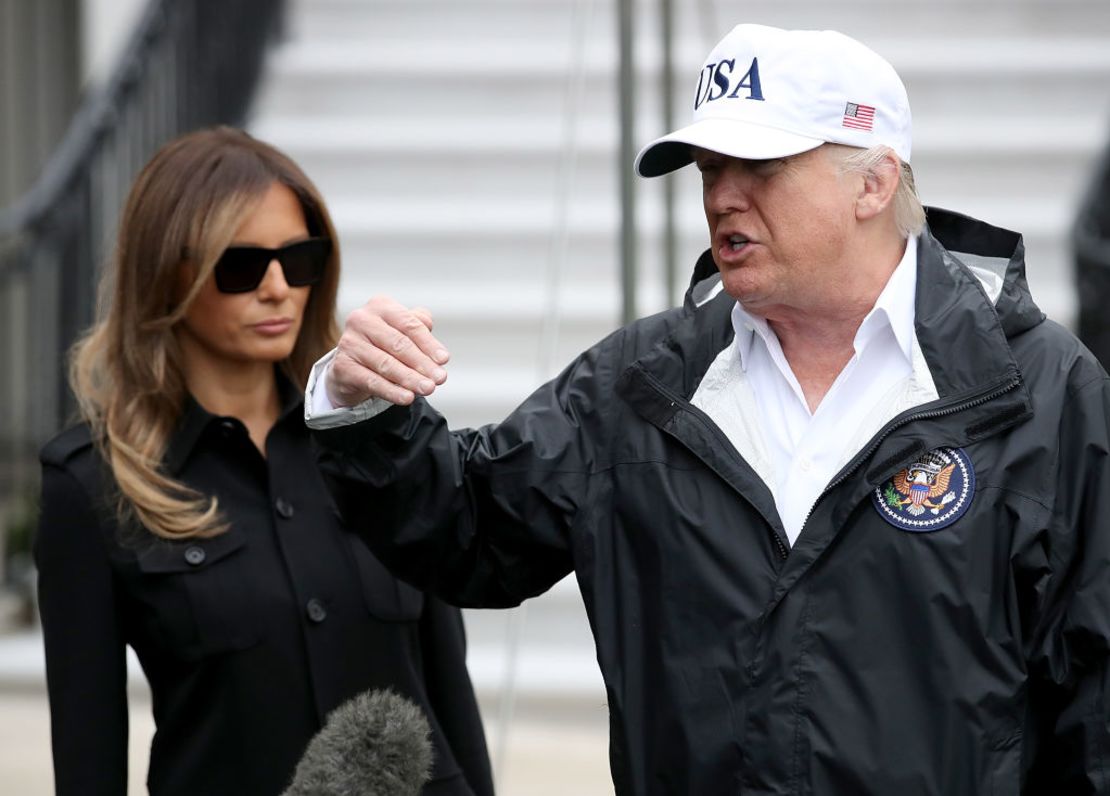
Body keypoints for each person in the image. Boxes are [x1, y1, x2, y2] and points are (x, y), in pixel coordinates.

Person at [306, 24, 1110, 795]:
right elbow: (468, 528)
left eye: (759, 167)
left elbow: (1095, 703)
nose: (722, 196)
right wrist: (360, 405)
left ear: (874, 181)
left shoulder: (1040, 391)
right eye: (707, 168)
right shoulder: (641, 383)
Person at [33, 127, 494, 796]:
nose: (278, 288)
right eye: (241, 264)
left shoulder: (379, 442)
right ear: (167, 273)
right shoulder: (91, 485)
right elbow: (87, 757)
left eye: (299, 260)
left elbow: (450, 690)